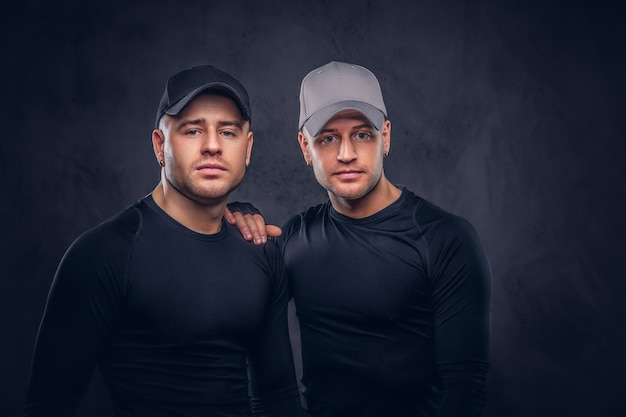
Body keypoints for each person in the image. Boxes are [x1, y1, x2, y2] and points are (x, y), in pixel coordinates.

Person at [23, 65, 301, 417]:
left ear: (247, 149)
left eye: (227, 132)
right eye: (192, 130)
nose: (212, 146)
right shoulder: (105, 253)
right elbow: (47, 406)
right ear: (160, 145)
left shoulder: (261, 248)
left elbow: (278, 397)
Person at [226, 61, 492, 417]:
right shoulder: (293, 240)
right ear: (306, 147)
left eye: (362, 134)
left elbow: (463, 390)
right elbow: (242, 334)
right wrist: (236, 216)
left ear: (386, 137)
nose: (346, 154)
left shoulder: (446, 238)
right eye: (328, 138)